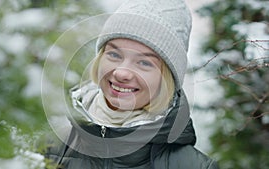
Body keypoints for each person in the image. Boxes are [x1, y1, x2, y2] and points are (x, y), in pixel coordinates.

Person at [42, 0, 219, 168]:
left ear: (167, 78)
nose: (121, 72)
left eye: (144, 63)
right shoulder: (48, 147)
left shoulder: (196, 166)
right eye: (114, 55)